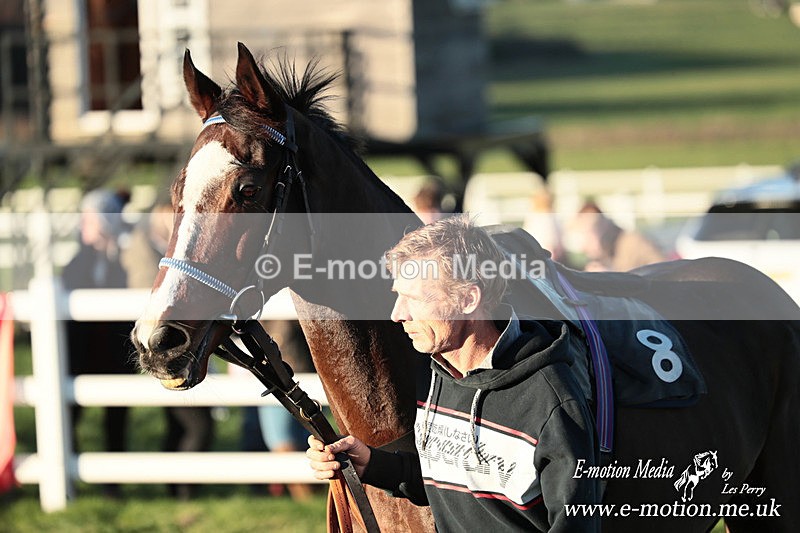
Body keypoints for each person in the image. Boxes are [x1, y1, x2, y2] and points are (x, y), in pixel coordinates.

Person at [306, 214, 600, 532]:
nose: (396, 315)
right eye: (397, 295)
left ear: (468, 299)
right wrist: (372, 464)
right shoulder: (440, 373)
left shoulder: (553, 401)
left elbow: (577, 525)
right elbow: (452, 478)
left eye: (413, 299)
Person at [122, 202, 215, 500]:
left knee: (181, 423)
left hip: (171, 340)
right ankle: (184, 489)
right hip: (163, 342)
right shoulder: (145, 251)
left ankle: (179, 488)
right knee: (196, 425)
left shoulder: (162, 249)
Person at [62, 189, 135, 498]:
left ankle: (112, 486)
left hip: (115, 357)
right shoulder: (76, 264)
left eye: (90, 219)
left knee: (115, 423)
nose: (83, 224)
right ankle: (70, 474)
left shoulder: (126, 260)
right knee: (68, 418)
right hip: (81, 357)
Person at [570, 200, 666, 272]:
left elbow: (664, 270)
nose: (583, 247)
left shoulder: (632, 242)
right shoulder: (603, 252)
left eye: (587, 235)